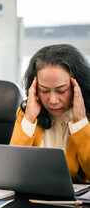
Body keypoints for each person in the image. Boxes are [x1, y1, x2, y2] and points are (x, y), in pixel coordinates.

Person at [10, 44, 90, 182]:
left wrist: (81, 122)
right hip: (31, 197)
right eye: (44, 90)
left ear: (79, 86)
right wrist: (29, 119)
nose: (52, 100)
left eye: (61, 90)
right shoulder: (27, 114)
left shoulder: (87, 116)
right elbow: (11, 167)